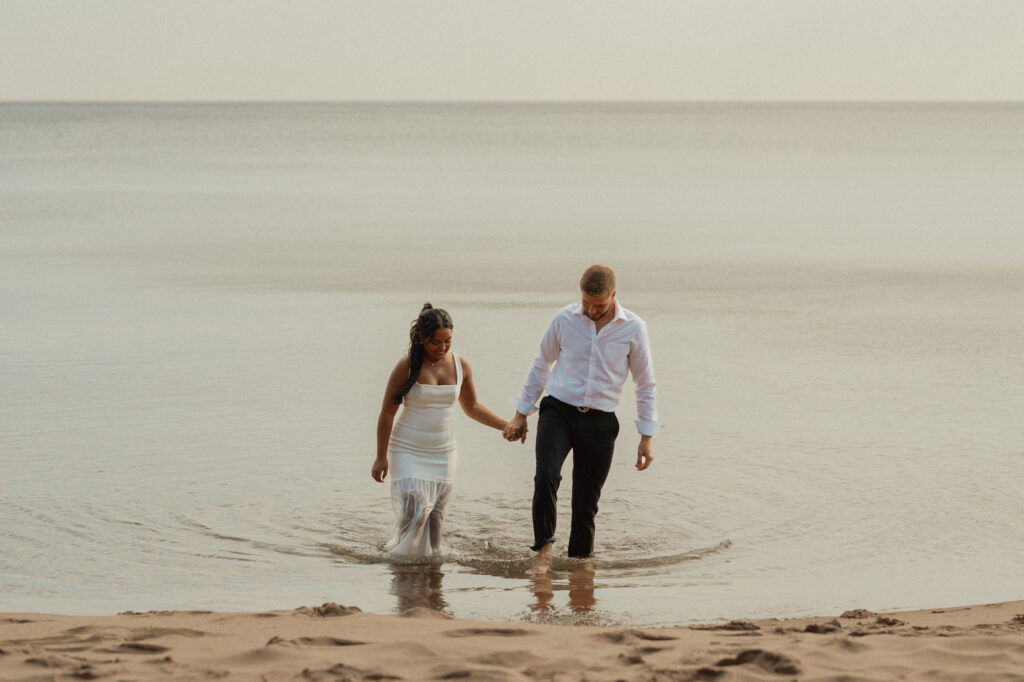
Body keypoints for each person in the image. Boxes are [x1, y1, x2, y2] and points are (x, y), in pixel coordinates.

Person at [503, 265, 659, 570]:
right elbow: (541, 365)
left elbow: (645, 383)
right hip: (558, 411)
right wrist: (521, 414)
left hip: (601, 422)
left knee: (586, 503)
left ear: (614, 296)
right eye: (586, 302)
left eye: (599, 305)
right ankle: (543, 552)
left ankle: (580, 567)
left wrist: (646, 437)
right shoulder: (564, 319)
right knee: (546, 475)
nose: (591, 310)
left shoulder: (634, 328)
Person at [373, 303, 509, 558]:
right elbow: (387, 413)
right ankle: (400, 570)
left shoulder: (460, 365)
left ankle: (432, 580)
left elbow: (472, 407)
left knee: (434, 520)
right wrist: (380, 456)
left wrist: (506, 426)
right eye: (436, 342)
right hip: (407, 449)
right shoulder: (407, 366)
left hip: (443, 452)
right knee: (416, 510)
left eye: (448, 341)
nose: (443, 347)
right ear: (421, 338)